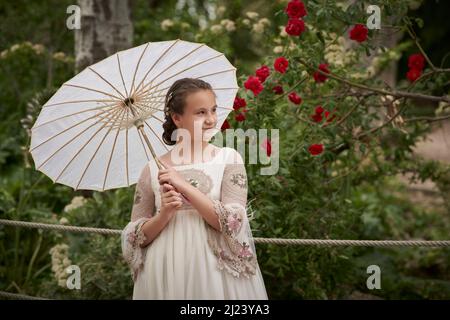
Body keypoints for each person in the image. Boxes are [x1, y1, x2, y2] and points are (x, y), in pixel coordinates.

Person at [121, 77, 268, 299]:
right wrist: (164, 214)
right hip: (165, 271)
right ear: (177, 118)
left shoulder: (229, 159)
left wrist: (183, 185)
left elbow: (230, 224)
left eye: (213, 110)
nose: (211, 120)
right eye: (200, 113)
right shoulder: (151, 170)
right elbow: (135, 239)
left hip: (215, 272)